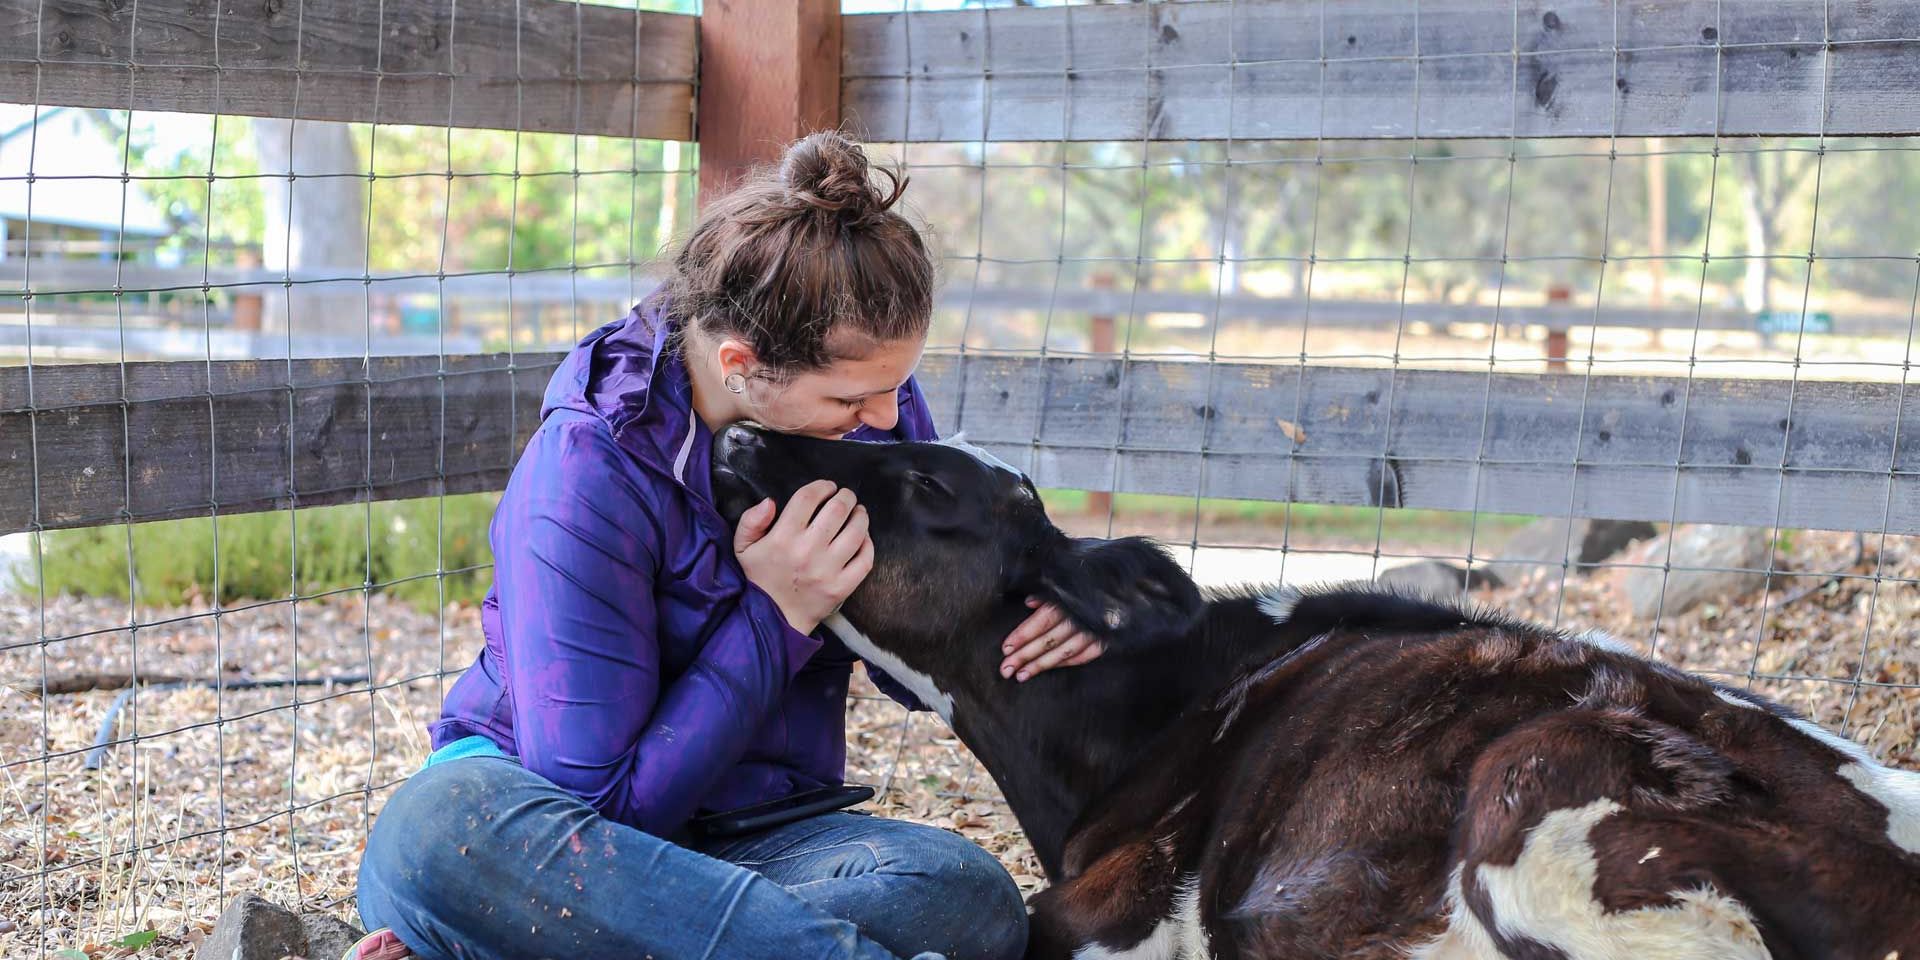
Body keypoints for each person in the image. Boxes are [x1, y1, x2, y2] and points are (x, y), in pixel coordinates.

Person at [347, 132, 1103, 960]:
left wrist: (1023, 624)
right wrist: (777, 614)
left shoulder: (867, 413)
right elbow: (601, 811)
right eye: (855, 396)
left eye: (898, 389)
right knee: (434, 839)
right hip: (544, 842)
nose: (889, 421)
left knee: (960, 897)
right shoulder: (585, 473)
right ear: (740, 363)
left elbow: (912, 672)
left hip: (757, 844)